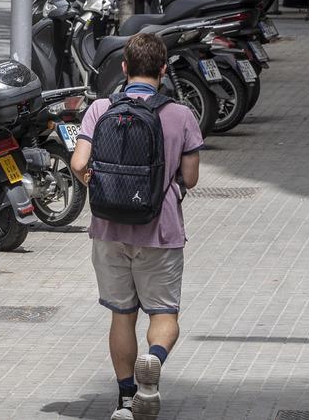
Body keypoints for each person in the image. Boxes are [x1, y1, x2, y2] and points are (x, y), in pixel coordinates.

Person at [69, 33, 203, 420]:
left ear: (124, 68)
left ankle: (126, 400)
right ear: (163, 69)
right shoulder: (180, 115)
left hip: (108, 229)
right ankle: (154, 359)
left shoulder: (99, 109)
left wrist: (106, 188)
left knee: (121, 314)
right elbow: (190, 178)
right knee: (164, 314)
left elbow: (79, 165)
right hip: (160, 231)